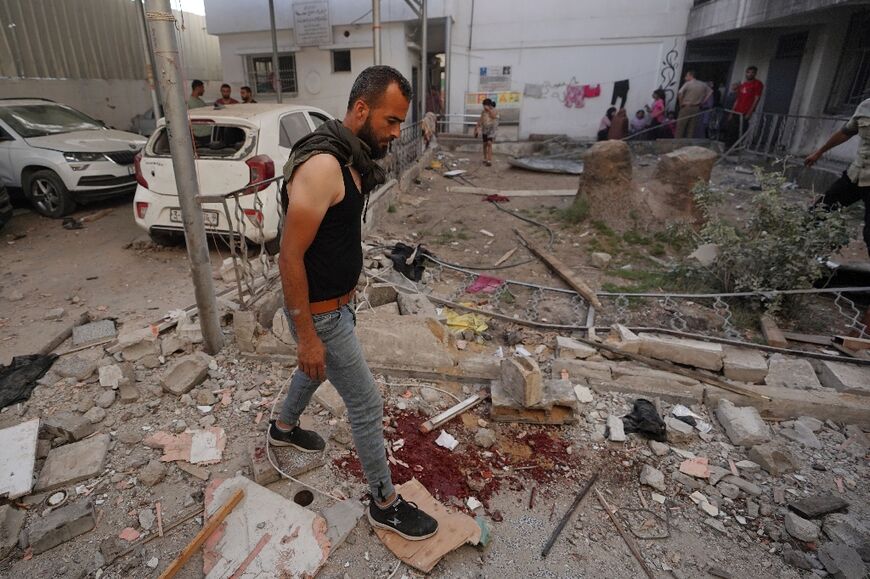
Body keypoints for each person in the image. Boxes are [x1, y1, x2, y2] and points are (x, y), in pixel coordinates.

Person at [273, 65, 438, 541]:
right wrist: (306, 334)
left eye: (399, 123)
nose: (394, 132)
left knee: (315, 367)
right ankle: (384, 502)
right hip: (321, 311)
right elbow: (289, 256)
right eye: (390, 121)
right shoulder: (324, 166)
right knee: (366, 404)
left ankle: (283, 426)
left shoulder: (353, 159)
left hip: (338, 305)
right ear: (361, 109)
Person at [805, 97, 870, 257]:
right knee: (819, 211)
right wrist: (819, 152)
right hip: (856, 174)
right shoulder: (866, 106)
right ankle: (794, 254)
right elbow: (845, 132)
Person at [724, 66, 764, 149]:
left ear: (755, 74)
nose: (750, 74)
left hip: (745, 112)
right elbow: (737, 99)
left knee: (741, 131)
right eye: (748, 72)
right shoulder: (743, 85)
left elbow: (756, 98)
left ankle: (736, 148)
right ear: (746, 73)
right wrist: (732, 112)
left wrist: (750, 112)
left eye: (752, 72)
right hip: (737, 111)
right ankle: (728, 147)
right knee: (731, 130)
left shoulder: (757, 84)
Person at [676, 70, 713, 139]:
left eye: (687, 76)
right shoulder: (702, 84)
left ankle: (677, 142)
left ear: (691, 76)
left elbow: (680, 93)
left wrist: (681, 103)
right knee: (691, 127)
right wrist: (703, 101)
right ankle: (688, 142)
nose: (685, 77)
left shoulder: (688, 83)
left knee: (680, 126)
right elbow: (710, 92)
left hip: (686, 106)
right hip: (696, 107)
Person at [474, 98, 499, 166]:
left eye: (485, 105)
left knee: (489, 143)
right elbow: (481, 119)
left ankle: (489, 160)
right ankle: (485, 158)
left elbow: (493, 116)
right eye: (484, 106)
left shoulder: (494, 110)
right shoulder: (483, 112)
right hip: (485, 129)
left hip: (492, 130)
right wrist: (477, 126)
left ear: (489, 105)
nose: (484, 107)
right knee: (485, 144)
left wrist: (489, 110)